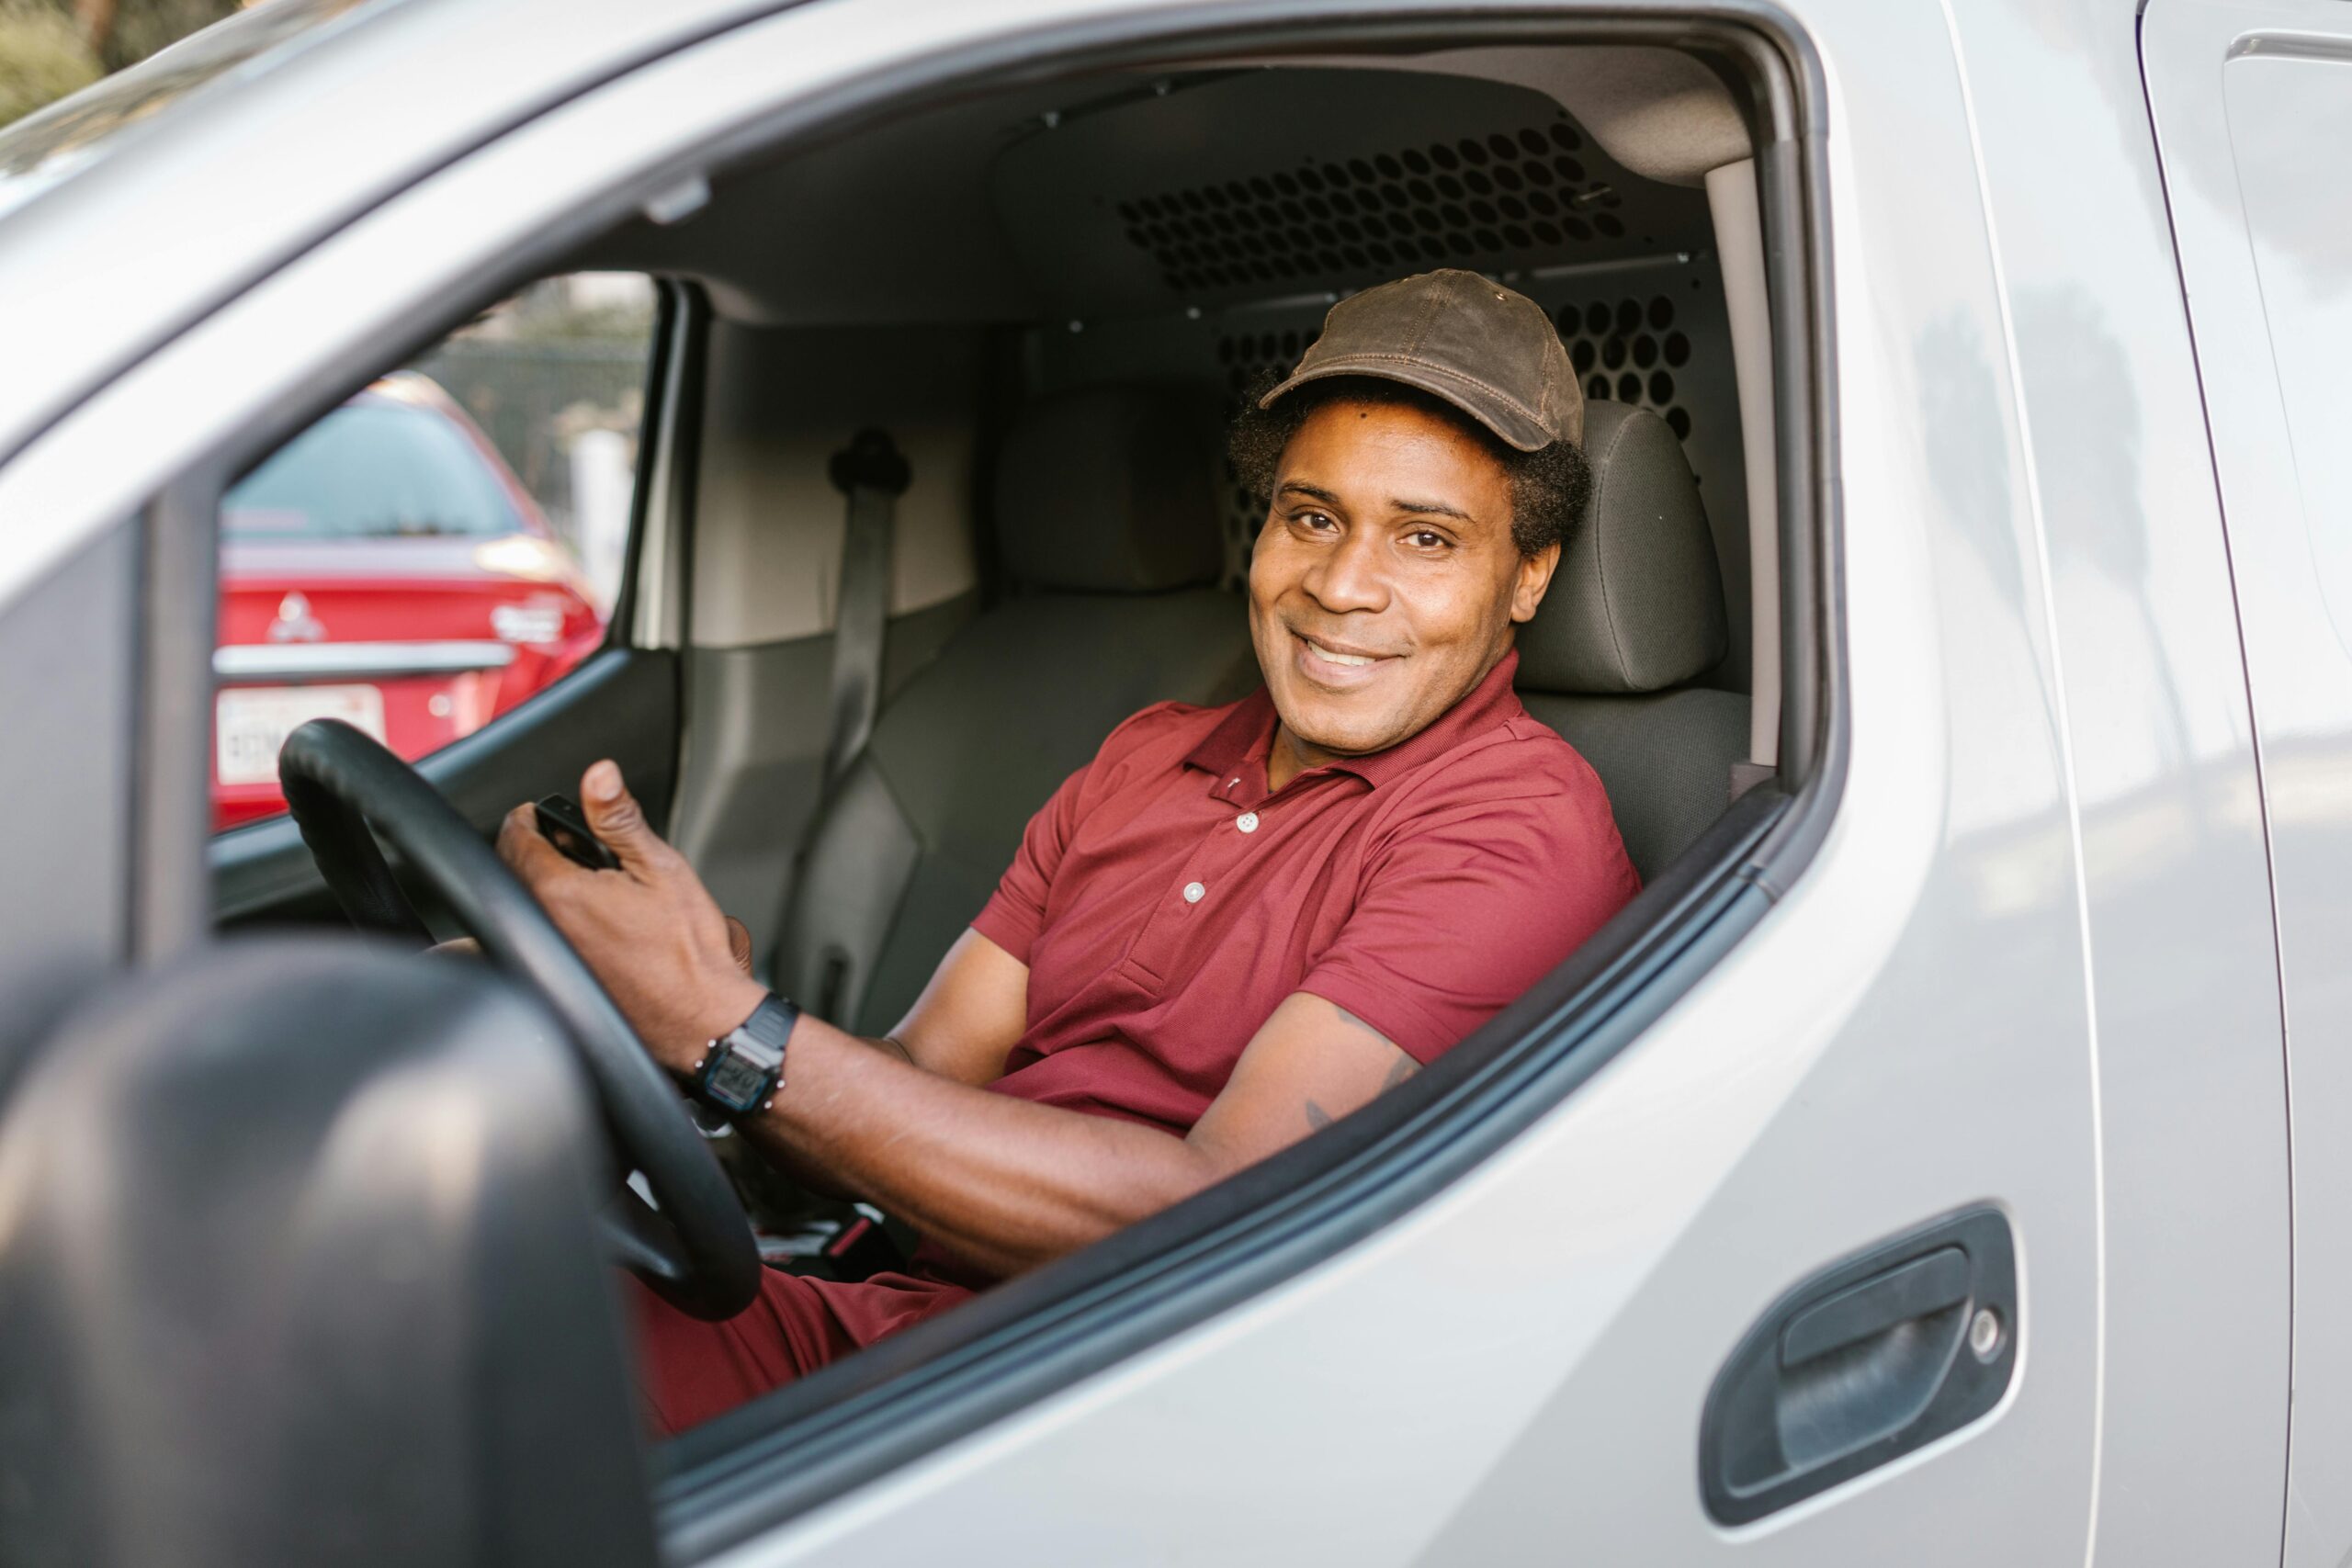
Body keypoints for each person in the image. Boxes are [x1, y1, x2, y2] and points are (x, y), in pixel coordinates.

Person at [496, 269, 1642, 1433]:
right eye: (1312, 517)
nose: (1342, 586)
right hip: (914, 1318)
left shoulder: (1512, 826)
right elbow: (923, 1075)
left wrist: (725, 1027)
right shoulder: (1148, 756)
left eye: (1426, 539)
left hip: (1103, 1399)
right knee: (444, 1267)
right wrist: (685, 1002)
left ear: (1528, 578)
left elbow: (1219, 1222)